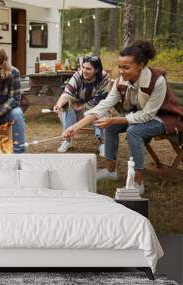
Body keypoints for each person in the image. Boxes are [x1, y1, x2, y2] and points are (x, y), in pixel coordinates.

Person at [63, 40, 183, 193]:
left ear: (140, 65)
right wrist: (75, 127)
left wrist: (113, 119)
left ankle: (137, 182)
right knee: (112, 126)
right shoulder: (121, 81)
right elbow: (105, 104)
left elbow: (147, 115)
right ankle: (110, 171)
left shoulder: (157, 81)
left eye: (126, 67)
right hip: (139, 115)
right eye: (120, 67)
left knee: (134, 130)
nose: (121, 71)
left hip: (165, 118)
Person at [53, 56, 110, 154]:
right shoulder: (78, 75)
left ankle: (102, 143)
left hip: (95, 106)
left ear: (96, 70)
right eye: (83, 67)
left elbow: (100, 98)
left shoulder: (104, 77)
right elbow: (67, 93)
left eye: (88, 68)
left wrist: (82, 106)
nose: (84, 71)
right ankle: (67, 140)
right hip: (78, 107)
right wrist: (58, 104)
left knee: (101, 110)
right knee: (67, 106)